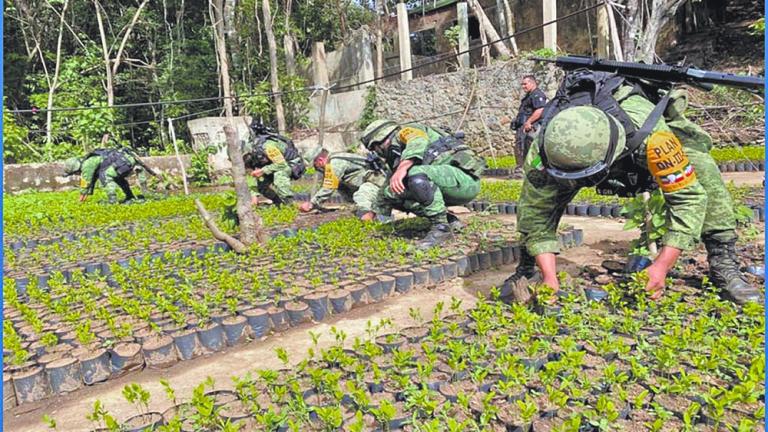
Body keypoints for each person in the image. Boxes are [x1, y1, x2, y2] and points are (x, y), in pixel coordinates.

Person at [504, 70, 762, 305]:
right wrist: (550, 277)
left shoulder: (655, 139)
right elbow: (535, 213)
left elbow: (688, 199)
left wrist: (661, 265)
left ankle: (723, 264)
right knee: (535, 207)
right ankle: (529, 268)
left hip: (633, 136)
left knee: (704, 170)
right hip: (571, 155)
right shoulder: (546, 149)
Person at [361, 119, 485, 248]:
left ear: (380, 140)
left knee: (415, 174)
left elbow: (417, 141)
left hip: (465, 182)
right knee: (392, 191)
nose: (377, 152)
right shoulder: (397, 155)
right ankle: (448, 220)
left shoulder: (405, 132)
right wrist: (373, 214)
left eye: (375, 148)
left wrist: (402, 169)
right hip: (443, 185)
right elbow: (386, 189)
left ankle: (441, 228)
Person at [298, 147, 387, 219]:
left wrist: (311, 204)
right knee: (340, 186)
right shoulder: (335, 158)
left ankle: (369, 224)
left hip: (376, 183)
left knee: (361, 197)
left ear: (320, 160)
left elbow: (329, 187)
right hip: (367, 182)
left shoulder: (335, 163)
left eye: (315, 165)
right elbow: (328, 184)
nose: (316, 168)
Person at [242, 120, 305, 206]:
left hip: (290, 164)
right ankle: (279, 203)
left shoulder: (268, 147)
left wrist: (263, 171)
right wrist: (254, 195)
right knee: (262, 186)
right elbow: (251, 177)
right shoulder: (251, 154)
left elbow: (282, 165)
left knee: (279, 178)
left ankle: (291, 205)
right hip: (273, 166)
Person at [62, 142, 149, 204]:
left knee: (105, 175)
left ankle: (113, 200)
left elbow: (85, 182)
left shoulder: (87, 165)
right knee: (118, 178)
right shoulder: (88, 161)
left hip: (124, 162)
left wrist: (80, 201)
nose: (75, 175)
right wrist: (85, 196)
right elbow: (91, 182)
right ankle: (130, 197)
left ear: (76, 169)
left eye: (74, 173)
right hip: (125, 160)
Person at [512, 75, 548, 169]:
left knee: (531, 150)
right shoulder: (529, 96)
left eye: (525, 84)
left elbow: (540, 110)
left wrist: (528, 122)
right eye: (522, 84)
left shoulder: (537, 95)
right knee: (521, 149)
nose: (523, 86)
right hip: (523, 128)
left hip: (530, 128)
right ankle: (523, 169)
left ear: (532, 83)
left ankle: (537, 169)